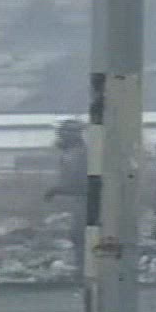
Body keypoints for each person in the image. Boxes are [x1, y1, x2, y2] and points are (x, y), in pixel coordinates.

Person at [44, 119, 88, 282]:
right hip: (81, 198)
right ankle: (83, 269)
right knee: (79, 235)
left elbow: (78, 182)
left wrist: (57, 190)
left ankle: (85, 271)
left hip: (87, 198)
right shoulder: (73, 153)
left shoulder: (79, 154)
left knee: (81, 235)